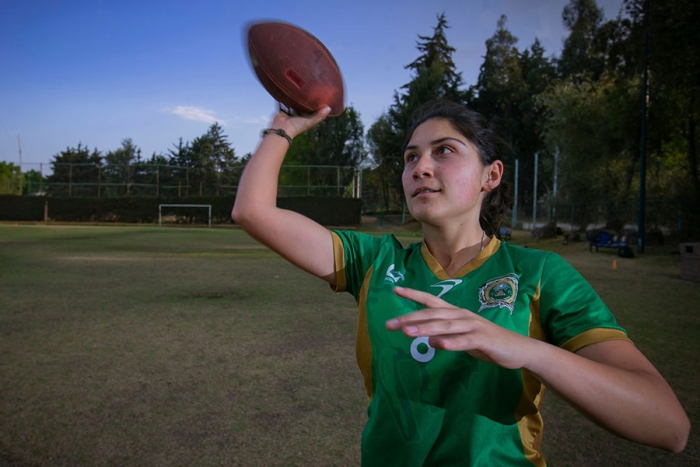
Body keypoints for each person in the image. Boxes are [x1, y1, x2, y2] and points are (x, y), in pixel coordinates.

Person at [232, 99, 689, 466]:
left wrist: (526, 349)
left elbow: (669, 427)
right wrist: (282, 129)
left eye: (444, 151)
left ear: (491, 175)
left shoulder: (541, 273)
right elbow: (252, 212)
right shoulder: (373, 259)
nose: (420, 167)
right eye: (411, 157)